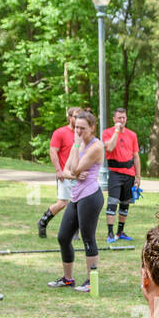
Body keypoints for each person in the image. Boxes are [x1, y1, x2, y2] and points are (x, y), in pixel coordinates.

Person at [48, 110, 104, 291]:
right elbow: (66, 172)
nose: (78, 131)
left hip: (90, 196)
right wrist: (74, 174)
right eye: (76, 128)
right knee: (63, 237)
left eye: (82, 128)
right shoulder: (78, 144)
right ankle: (68, 278)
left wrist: (74, 164)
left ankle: (90, 281)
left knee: (88, 238)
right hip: (76, 196)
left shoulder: (96, 146)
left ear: (92, 128)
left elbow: (74, 167)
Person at [102, 106, 141, 243]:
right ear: (114, 119)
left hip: (129, 173)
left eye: (124, 117)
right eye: (119, 118)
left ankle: (120, 232)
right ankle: (110, 233)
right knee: (112, 203)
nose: (122, 120)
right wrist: (117, 131)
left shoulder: (132, 135)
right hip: (115, 173)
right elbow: (110, 147)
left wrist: (138, 176)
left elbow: (136, 156)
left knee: (125, 204)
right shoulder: (107, 132)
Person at [39, 107, 79, 238]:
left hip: (78, 174)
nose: (78, 119)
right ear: (69, 117)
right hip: (65, 174)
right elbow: (53, 151)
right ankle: (43, 221)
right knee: (63, 203)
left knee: (78, 203)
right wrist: (58, 170)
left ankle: (75, 232)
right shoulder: (60, 132)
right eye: (76, 116)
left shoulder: (82, 133)